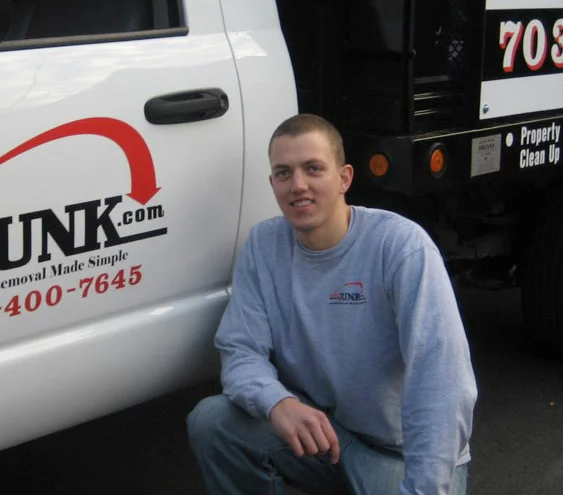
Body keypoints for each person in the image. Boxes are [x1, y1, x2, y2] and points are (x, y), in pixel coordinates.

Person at [187, 114, 477, 495]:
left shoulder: (401, 247)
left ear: (345, 178)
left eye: (313, 169)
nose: (298, 185)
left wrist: (423, 487)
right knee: (213, 422)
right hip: (327, 440)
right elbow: (240, 350)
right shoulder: (264, 246)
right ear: (272, 183)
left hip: (399, 454)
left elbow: (442, 381)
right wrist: (277, 402)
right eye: (284, 173)